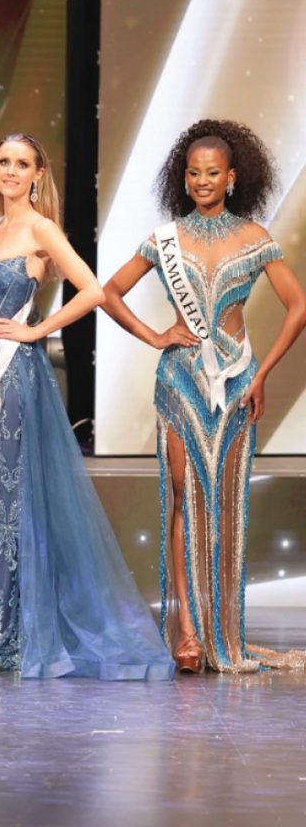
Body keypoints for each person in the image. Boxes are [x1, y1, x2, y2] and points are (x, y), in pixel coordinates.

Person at [0, 133, 174, 680]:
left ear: (38, 175)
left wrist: (37, 330)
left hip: (12, 373)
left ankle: (9, 631)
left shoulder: (41, 229)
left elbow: (93, 290)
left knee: (10, 495)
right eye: (3, 161)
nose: (10, 171)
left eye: (22, 164)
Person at [102, 119, 306, 673]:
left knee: (225, 503)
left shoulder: (255, 238)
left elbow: (298, 306)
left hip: (237, 384)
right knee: (182, 496)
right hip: (181, 382)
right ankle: (188, 634)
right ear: (183, 176)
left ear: (232, 177)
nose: (201, 182)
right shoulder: (165, 239)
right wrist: (154, 335)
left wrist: (262, 376)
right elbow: (110, 292)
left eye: (212, 173)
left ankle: (222, 629)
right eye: (193, 173)